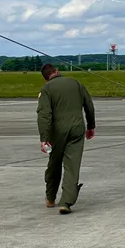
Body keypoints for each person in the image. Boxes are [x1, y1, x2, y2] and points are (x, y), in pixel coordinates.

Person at [36, 63, 96, 214]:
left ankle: (50, 198)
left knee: (54, 163)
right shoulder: (76, 83)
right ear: (56, 71)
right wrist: (91, 126)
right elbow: (89, 105)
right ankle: (66, 202)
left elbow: (44, 115)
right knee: (72, 166)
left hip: (58, 131)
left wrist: (44, 138)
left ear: (45, 78)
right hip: (77, 129)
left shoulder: (46, 89)